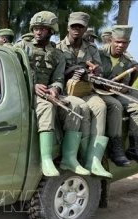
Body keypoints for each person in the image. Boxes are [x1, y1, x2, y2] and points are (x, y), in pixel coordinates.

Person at [22, 11, 90, 177]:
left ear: (51, 31)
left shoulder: (57, 54)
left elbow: (59, 78)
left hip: (47, 92)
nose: (38, 32)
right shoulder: (21, 48)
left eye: (43, 29)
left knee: (74, 106)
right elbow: (14, 73)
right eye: (36, 28)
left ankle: (69, 157)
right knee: (46, 107)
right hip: (25, 92)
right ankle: (46, 159)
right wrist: (32, 86)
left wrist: (55, 89)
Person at [56, 11, 112, 178]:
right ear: (68, 28)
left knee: (100, 106)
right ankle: (79, 155)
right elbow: (56, 73)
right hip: (66, 91)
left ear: (85, 29)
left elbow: (99, 72)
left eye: (80, 27)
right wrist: (73, 70)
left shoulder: (92, 49)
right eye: (74, 26)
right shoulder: (58, 48)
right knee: (83, 109)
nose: (76, 30)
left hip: (86, 90)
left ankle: (93, 161)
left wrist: (96, 71)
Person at [98, 25, 138, 167]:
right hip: (97, 92)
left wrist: (120, 87)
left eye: (124, 43)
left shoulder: (126, 61)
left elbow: (126, 84)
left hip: (116, 93)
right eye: (117, 42)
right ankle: (116, 150)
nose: (120, 45)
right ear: (111, 40)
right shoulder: (98, 54)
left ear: (128, 43)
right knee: (116, 106)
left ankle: (134, 149)